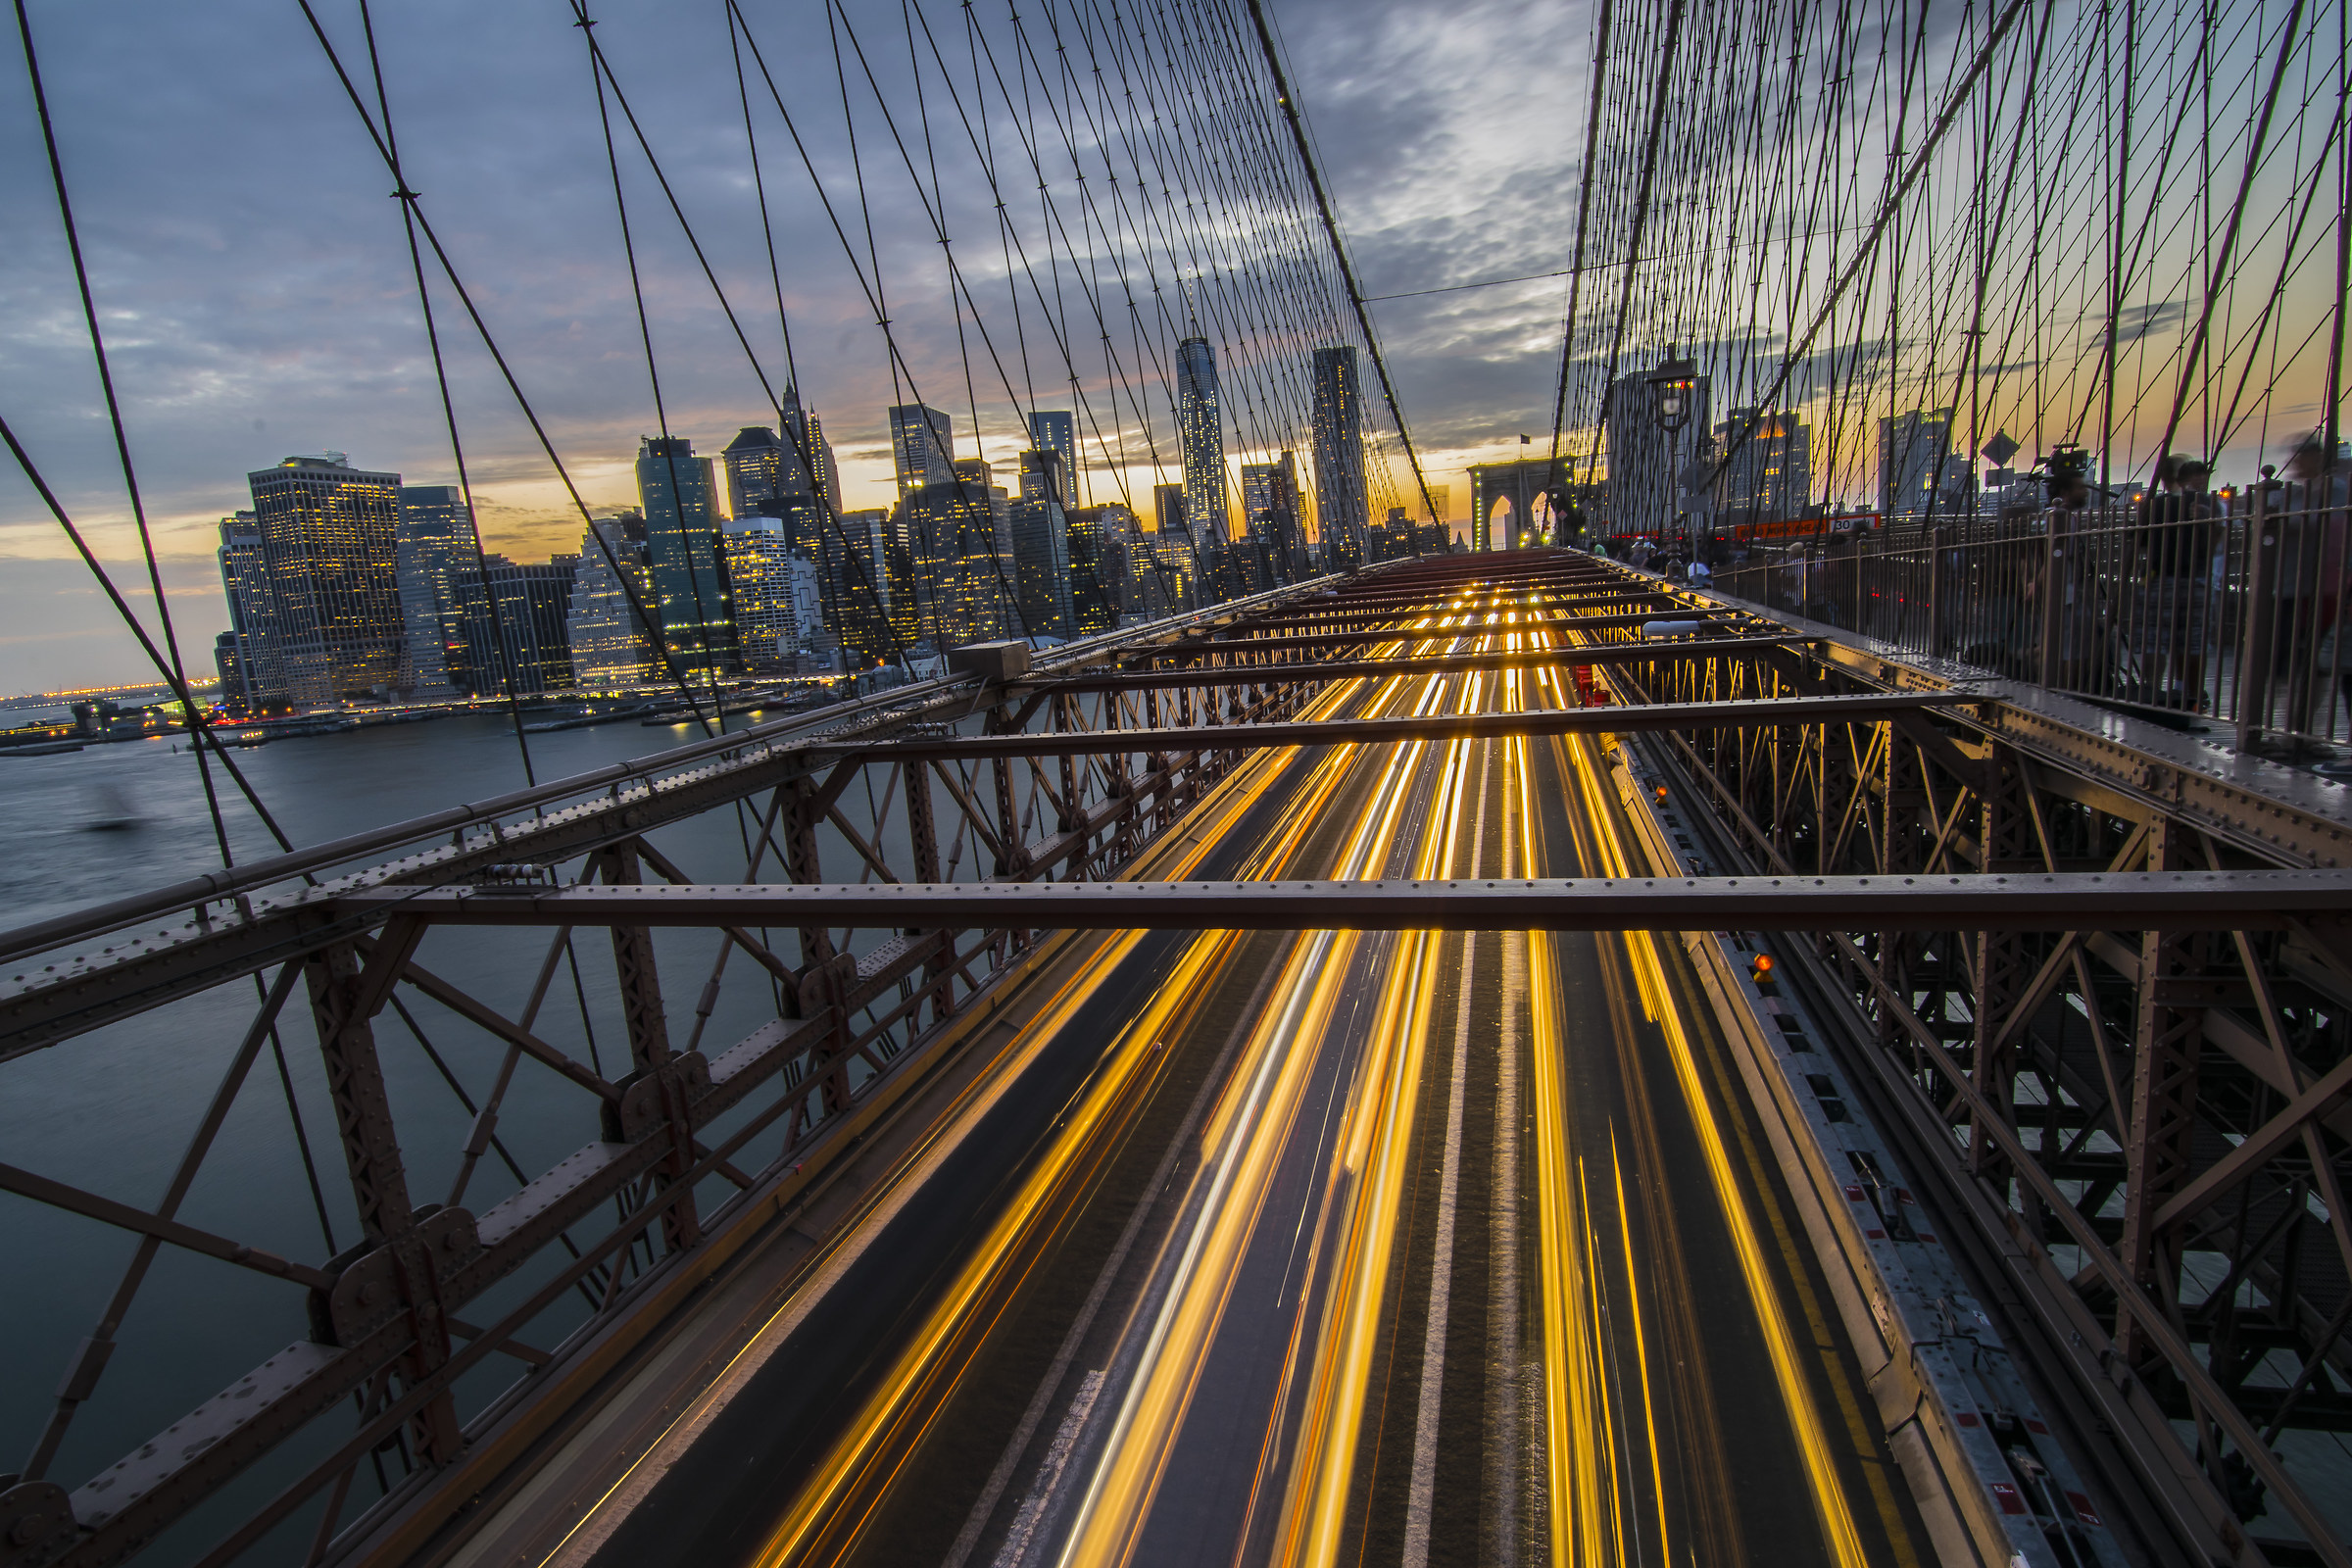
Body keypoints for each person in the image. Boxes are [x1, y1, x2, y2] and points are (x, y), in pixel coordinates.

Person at [2127, 456, 2218, 708]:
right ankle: (2188, 693)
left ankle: (2150, 691)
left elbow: (2140, 542)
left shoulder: (2151, 506)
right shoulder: (2202, 503)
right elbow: (2213, 543)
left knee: (2154, 639)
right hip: (2193, 579)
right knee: (2191, 639)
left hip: (2156, 579)